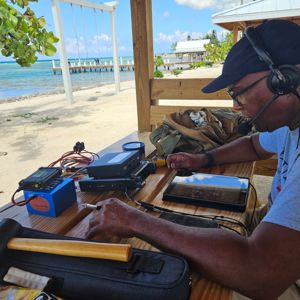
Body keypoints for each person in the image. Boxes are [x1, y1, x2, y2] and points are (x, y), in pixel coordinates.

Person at [86, 20, 300, 299]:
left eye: (239, 91)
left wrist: (135, 222)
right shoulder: (290, 121)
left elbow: (259, 273)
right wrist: (204, 159)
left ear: (285, 79)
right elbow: (254, 145)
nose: (235, 105)